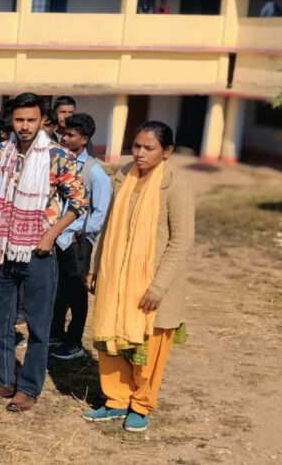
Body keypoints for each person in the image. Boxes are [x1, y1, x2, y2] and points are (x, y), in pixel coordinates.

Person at [0, 92, 87, 412]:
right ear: (11, 120)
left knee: (38, 326)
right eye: (19, 119)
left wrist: (52, 234)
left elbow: (79, 201)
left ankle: (29, 388)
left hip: (39, 252)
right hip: (1, 247)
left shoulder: (58, 156)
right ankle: (2, 379)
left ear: (42, 120)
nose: (24, 126)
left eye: (31, 120)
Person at [83, 121, 194, 433]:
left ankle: (141, 405)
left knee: (148, 349)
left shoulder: (176, 185)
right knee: (110, 341)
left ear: (167, 151)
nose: (140, 153)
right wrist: (96, 266)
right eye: (136, 146)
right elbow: (108, 226)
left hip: (151, 285)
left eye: (149, 148)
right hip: (115, 277)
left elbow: (181, 240)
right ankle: (117, 399)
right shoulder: (124, 175)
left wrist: (158, 286)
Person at [50, 113, 111, 361]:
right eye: (64, 133)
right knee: (58, 288)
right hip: (56, 237)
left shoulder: (93, 170)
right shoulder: (60, 161)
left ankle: (74, 341)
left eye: (71, 135)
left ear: (84, 139)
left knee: (76, 292)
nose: (64, 138)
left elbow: (101, 210)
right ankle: (56, 334)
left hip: (75, 240)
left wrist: (82, 234)